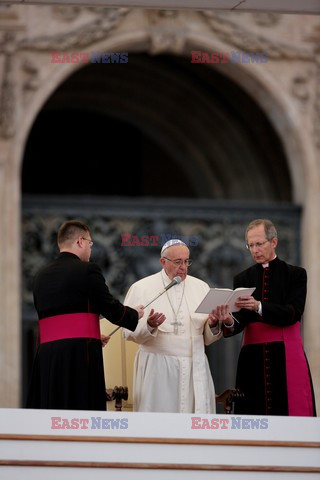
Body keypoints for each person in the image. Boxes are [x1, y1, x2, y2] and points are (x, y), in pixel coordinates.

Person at [26, 219, 146, 411]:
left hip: (48, 356)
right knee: (80, 411)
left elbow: (56, 320)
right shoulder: (87, 270)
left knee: (52, 410)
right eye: (90, 243)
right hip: (79, 355)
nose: (90, 249)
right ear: (80, 241)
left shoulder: (41, 276)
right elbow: (110, 307)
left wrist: (89, 335)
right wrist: (134, 314)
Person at [122, 239, 232, 413]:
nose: (184, 267)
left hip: (194, 366)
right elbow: (127, 332)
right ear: (163, 262)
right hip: (157, 369)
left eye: (187, 261)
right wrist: (149, 325)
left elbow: (207, 336)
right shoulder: (141, 288)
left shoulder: (201, 287)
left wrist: (212, 324)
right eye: (178, 262)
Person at [225, 218, 316, 416]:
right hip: (252, 358)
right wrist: (227, 320)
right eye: (250, 245)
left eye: (259, 244)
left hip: (285, 353)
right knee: (252, 411)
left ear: (273, 242)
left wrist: (258, 306)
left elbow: (293, 312)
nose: (254, 250)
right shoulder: (243, 278)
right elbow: (240, 322)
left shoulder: (296, 275)